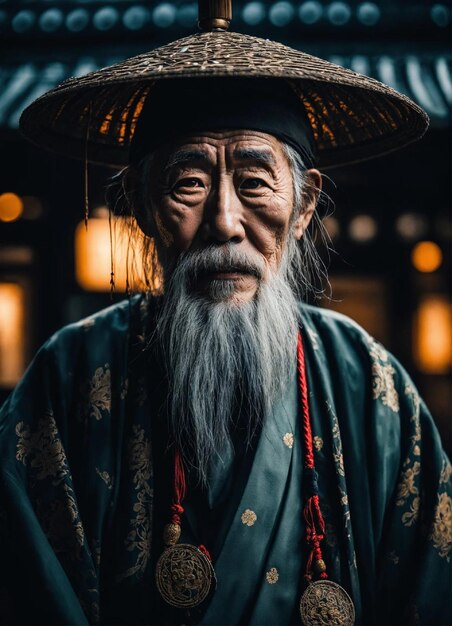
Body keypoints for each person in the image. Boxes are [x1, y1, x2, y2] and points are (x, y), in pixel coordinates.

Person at [2, 8, 451, 626]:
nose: (224, 221)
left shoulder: (372, 386)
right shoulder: (71, 375)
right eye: (188, 182)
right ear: (139, 206)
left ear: (304, 206)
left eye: (255, 182)